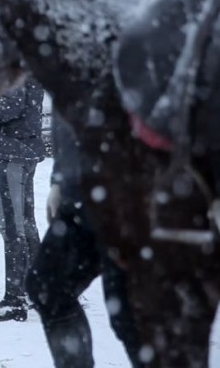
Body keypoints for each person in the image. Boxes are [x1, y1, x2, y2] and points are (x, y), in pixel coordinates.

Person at [25, 114, 142, 367]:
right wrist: (60, 180)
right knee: (47, 286)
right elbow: (66, 119)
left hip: (128, 198)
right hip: (79, 196)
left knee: (132, 312)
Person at [0, 77, 45, 322]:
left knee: (12, 227)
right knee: (25, 224)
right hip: (24, 149)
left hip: (10, 152)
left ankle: (14, 300)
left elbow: (10, 105)